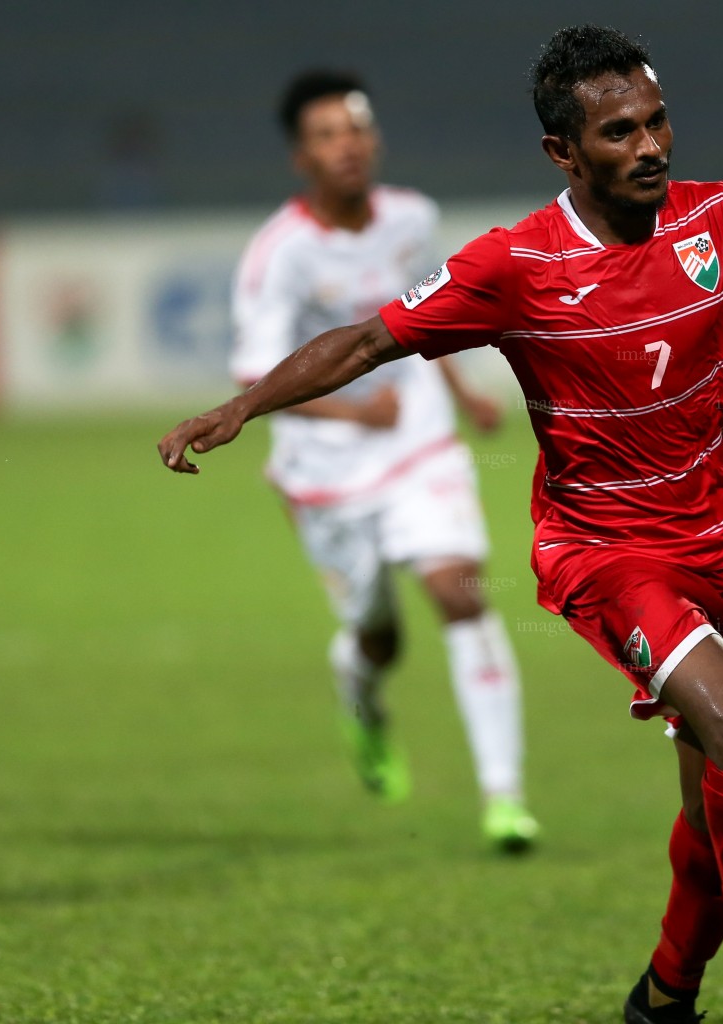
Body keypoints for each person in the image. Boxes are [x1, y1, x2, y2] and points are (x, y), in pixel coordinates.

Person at [161, 26, 723, 1024]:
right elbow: (365, 340)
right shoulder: (513, 264)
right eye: (620, 132)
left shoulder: (721, 221)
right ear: (563, 153)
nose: (652, 146)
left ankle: (663, 995)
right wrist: (241, 408)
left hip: (720, 540)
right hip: (604, 552)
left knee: (713, 804)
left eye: (658, 121)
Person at [230, 71, 538, 852]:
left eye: (356, 130)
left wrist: (464, 395)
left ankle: (504, 799)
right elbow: (254, 379)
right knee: (379, 637)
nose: (347, 146)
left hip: (419, 443)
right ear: (301, 156)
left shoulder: (412, 219)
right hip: (326, 471)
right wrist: (355, 409)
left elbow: (423, 321)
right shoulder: (280, 254)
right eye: (328, 135)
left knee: (460, 594)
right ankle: (361, 696)